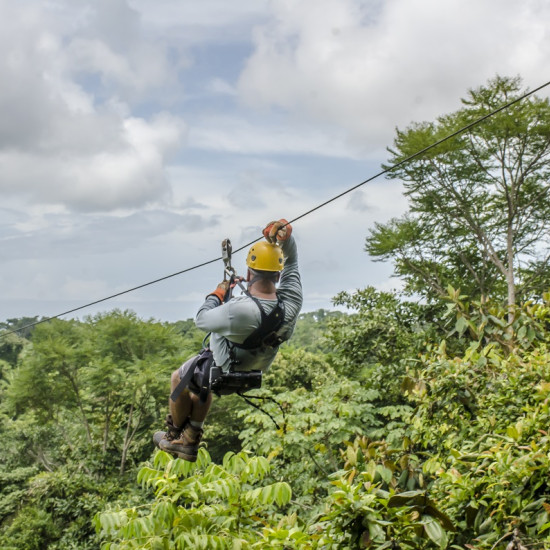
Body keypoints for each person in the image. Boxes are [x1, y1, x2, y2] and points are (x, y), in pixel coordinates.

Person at [153, 219, 302, 461]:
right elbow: (292, 263)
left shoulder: (238, 311)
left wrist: (218, 294)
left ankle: (174, 437)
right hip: (256, 366)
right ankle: (191, 437)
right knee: (201, 385)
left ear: (248, 273)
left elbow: (202, 319)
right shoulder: (291, 302)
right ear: (278, 274)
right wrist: (286, 239)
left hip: (227, 364)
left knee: (178, 378)